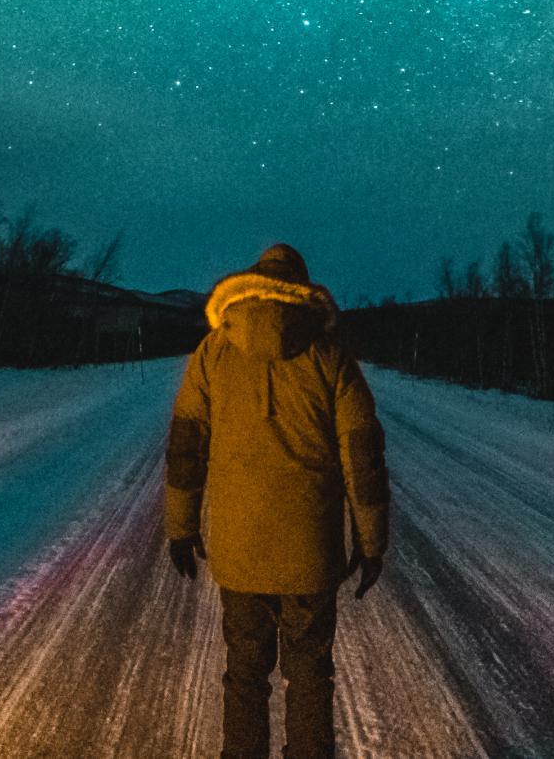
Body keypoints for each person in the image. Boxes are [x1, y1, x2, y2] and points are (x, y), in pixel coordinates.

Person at [162, 242, 390, 759]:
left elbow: (186, 446)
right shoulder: (331, 356)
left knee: (244, 675)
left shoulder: (213, 351)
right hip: (310, 553)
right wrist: (371, 542)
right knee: (310, 676)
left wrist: (181, 526)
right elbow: (363, 456)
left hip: (240, 553)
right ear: (301, 288)